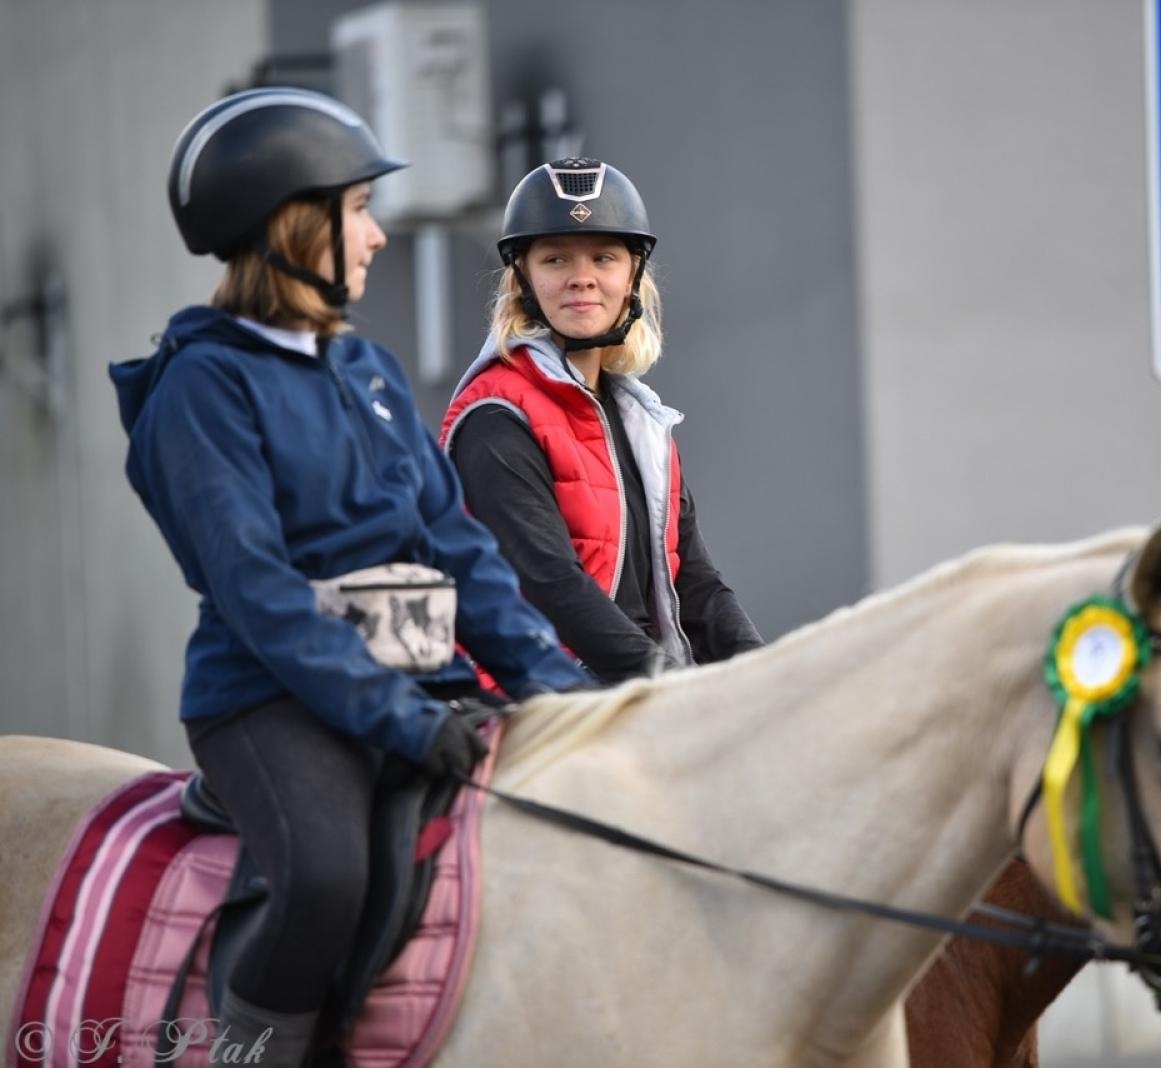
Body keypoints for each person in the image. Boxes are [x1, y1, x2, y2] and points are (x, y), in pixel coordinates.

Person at [110, 88, 591, 1067]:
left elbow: (456, 544)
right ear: (294, 222)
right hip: (272, 701)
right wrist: (405, 723)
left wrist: (557, 685)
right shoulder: (203, 388)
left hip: (419, 682)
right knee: (324, 877)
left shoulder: (367, 368)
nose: (375, 237)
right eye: (359, 210)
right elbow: (258, 594)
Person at [439, 158, 762, 683]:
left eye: (603, 257)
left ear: (632, 274)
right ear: (523, 277)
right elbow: (551, 583)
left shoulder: (642, 423)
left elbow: (698, 585)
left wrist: (767, 672)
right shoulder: (495, 417)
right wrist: (669, 685)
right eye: (556, 259)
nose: (581, 278)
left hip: (632, 691)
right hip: (543, 702)